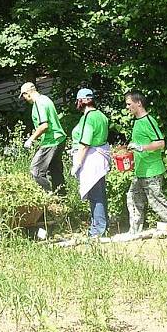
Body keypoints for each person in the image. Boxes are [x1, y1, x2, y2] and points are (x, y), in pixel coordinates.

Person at [124, 90, 167, 235]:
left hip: (151, 171)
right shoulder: (137, 121)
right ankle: (134, 231)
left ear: (139, 103)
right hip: (140, 171)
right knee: (133, 198)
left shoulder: (148, 121)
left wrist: (141, 147)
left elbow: (160, 143)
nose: (127, 107)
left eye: (129, 104)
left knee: (157, 203)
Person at [70, 88, 111, 237]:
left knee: (95, 195)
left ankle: (98, 230)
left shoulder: (89, 117)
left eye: (78, 100)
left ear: (82, 101)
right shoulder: (101, 115)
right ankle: (102, 226)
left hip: (91, 159)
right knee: (99, 193)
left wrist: (77, 164)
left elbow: (85, 143)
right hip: (99, 158)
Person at [20, 81, 67, 194]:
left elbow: (44, 126)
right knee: (55, 172)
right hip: (60, 139)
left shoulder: (39, 103)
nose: (25, 99)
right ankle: (61, 199)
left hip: (51, 141)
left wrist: (31, 139)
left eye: (24, 96)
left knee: (35, 170)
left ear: (28, 93)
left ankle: (47, 195)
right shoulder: (46, 99)